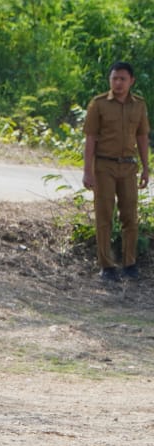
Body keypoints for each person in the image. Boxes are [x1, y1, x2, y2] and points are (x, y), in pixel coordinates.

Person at [82, 61, 150, 282]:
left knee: (130, 215)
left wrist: (146, 168)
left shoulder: (139, 105)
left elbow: (142, 137)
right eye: (114, 78)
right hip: (104, 166)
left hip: (128, 166)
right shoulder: (99, 104)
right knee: (104, 215)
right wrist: (87, 171)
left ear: (132, 81)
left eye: (122, 79)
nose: (118, 83)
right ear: (109, 80)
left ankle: (129, 263)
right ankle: (106, 266)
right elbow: (90, 138)